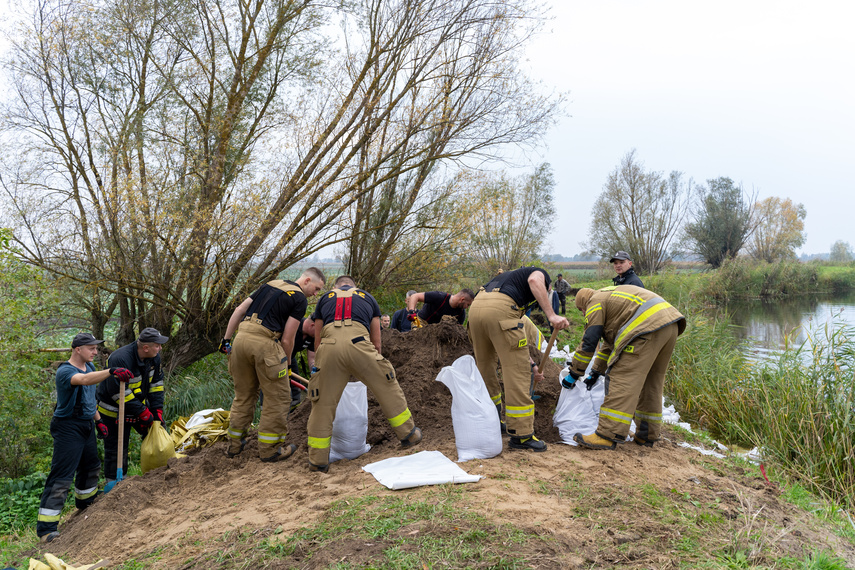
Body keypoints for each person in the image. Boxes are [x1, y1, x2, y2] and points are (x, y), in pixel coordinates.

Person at [306, 275, 422, 472]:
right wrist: (372, 369)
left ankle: (318, 460)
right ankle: (408, 434)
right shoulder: (367, 297)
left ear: (336, 287)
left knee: (322, 403)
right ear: (354, 286)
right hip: (359, 344)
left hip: (328, 348)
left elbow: (318, 340)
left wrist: (322, 367)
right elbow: (376, 341)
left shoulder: (325, 298)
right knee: (387, 386)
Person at [220, 268, 326, 461]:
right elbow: (287, 339)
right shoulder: (299, 298)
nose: (316, 294)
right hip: (265, 344)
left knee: (243, 396)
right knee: (278, 398)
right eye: (317, 288)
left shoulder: (270, 284)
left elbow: (239, 310)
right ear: (307, 279)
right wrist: (285, 365)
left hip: (240, 341)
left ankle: (234, 447)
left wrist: (226, 340)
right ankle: (270, 451)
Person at [38, 333, 133, 543]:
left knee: (91, 465)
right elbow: (82, 381)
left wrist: (99, 421)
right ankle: (46, 529)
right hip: (67, 427)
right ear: (77, 349)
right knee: (62, 475)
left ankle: (85, 500)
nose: (95, 352)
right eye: (91, 348)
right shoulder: (65, 371)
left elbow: (90, 400)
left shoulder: (89, 368)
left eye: (96, 348)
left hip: (86, 424)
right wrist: (111, 371)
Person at [565, 285, 686, 450]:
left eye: (581, 310)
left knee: (622, 377)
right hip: (670, 325)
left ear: (583, 303)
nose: (583, 314)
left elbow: (590, 340)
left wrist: (575, 371)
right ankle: (647, 435)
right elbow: (609, 345)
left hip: (644, 329)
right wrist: (596, 371)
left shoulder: (594, 302)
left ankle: (607, 435)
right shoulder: (611, 297)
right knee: (651, 382)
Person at [467, 267, 569, 451]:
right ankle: (521, 435)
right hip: (499, 312)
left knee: (486, 370)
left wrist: (532, 364)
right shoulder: (539, 275)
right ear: (548, 286)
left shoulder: (507, 281)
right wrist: (552, 315)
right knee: (517, 373)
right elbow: (534, 281)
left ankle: (492, 423)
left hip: (475, 311)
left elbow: (512, 344)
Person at [96, 327, 169, 486]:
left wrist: (156, 411)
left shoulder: (154, 358)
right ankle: (115, 485)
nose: (160, 348)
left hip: (138, 406)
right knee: (116, 450)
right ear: (145, 348)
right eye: (158, 345)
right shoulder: (120, 358)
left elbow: (156, 385)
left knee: (158, 432)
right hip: (113, 411)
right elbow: (117, 393)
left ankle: (161, 474)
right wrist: (142, 412)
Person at [405, 289, 475, 328]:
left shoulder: (461, 313)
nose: (467, 307)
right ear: (462, 300)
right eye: (468, 304)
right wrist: (411, 311)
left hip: (437, 331)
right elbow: (415, 296)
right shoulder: (439, 296)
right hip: (421, 323)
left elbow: (458, 330)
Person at [288, 317, 316, 411]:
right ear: (312, 325)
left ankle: (295, 407)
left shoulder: (312, 336)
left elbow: (312, 358)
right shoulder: (294, 324)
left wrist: (315, 373)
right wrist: (285, 365)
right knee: (281, 383)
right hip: (277, 356)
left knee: (296, 386)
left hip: (291, 357)